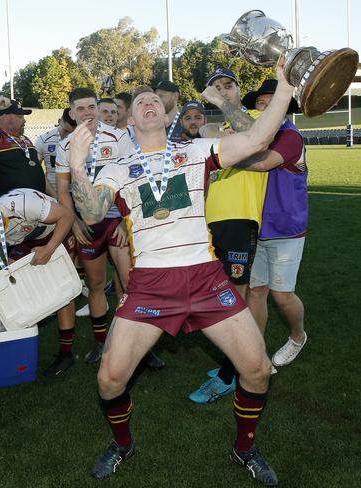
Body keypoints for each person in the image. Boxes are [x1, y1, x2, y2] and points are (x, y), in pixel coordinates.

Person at [68, 60, 297, 486]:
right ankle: (122, 443)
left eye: (154, 99)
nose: (148, 103)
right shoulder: (117, 167)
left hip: (206, 278)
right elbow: (92, 211)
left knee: (258, 369)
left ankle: (244, 448)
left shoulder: (194, 150)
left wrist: (283, 89)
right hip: (152, 284)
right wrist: (78, 164)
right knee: (110, 378)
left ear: (167, 114)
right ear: (131, 119)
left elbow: (256, 139)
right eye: (139, 102)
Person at [188, 69, 269, 404]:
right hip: (211, 220)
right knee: (217, 294)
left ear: (238, 90)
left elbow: (251, 136)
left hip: (239, 218)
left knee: (234, 298)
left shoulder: (255, 120)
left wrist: (220, 103)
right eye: (216, 87)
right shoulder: (216, 131)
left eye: (228, 85)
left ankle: (230, 371)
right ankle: (232, 360)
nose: (222, 90)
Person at [55, 88, 133, 370]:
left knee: (129, 283)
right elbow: (62, 188)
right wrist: (72, 220)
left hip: (115, 219)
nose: (87, 112)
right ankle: (101, 341)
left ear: (99, 108)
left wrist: (126, 220)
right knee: (97, 284)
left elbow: (132, 180)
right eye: (81, 108)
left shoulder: (119, 137)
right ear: (72, 113)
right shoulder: (65, 145)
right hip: (87, 224)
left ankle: (134, 342)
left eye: (92, 107)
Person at [242, 80, 309, 368]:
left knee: (282, 295)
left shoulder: (290, 136)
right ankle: (257, 348)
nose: (266, 107)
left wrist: (217, 157)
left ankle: (297, 336)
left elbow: (260, 163)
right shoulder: (253, 134)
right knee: (256, 290)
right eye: (260, 103)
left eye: (273, 101)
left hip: (285, 228)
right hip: (257, 225)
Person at [0, 189, 76, 357]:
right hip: (24, 240)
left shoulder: (23, 204)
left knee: (61, 289)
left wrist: (49, 248)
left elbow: (67, 215)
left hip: (54, 229)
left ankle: (66, 352)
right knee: (14, 287)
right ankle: (19, 338)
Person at [0, 97, 56, 200]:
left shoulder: (25, 139)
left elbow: (37, 171)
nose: (24, 120)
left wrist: (54, 196)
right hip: (11, 205)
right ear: (5, 117)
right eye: (20, 116)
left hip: (39, 202)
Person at [34, 108, 76, 193]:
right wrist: (53, 195)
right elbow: (35, 170)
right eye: (66, 131)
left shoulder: (84, 139)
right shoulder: (43, 140)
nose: (68, 136)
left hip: (78, 194)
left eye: (72, 133)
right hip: (53, 192)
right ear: (59, 121)